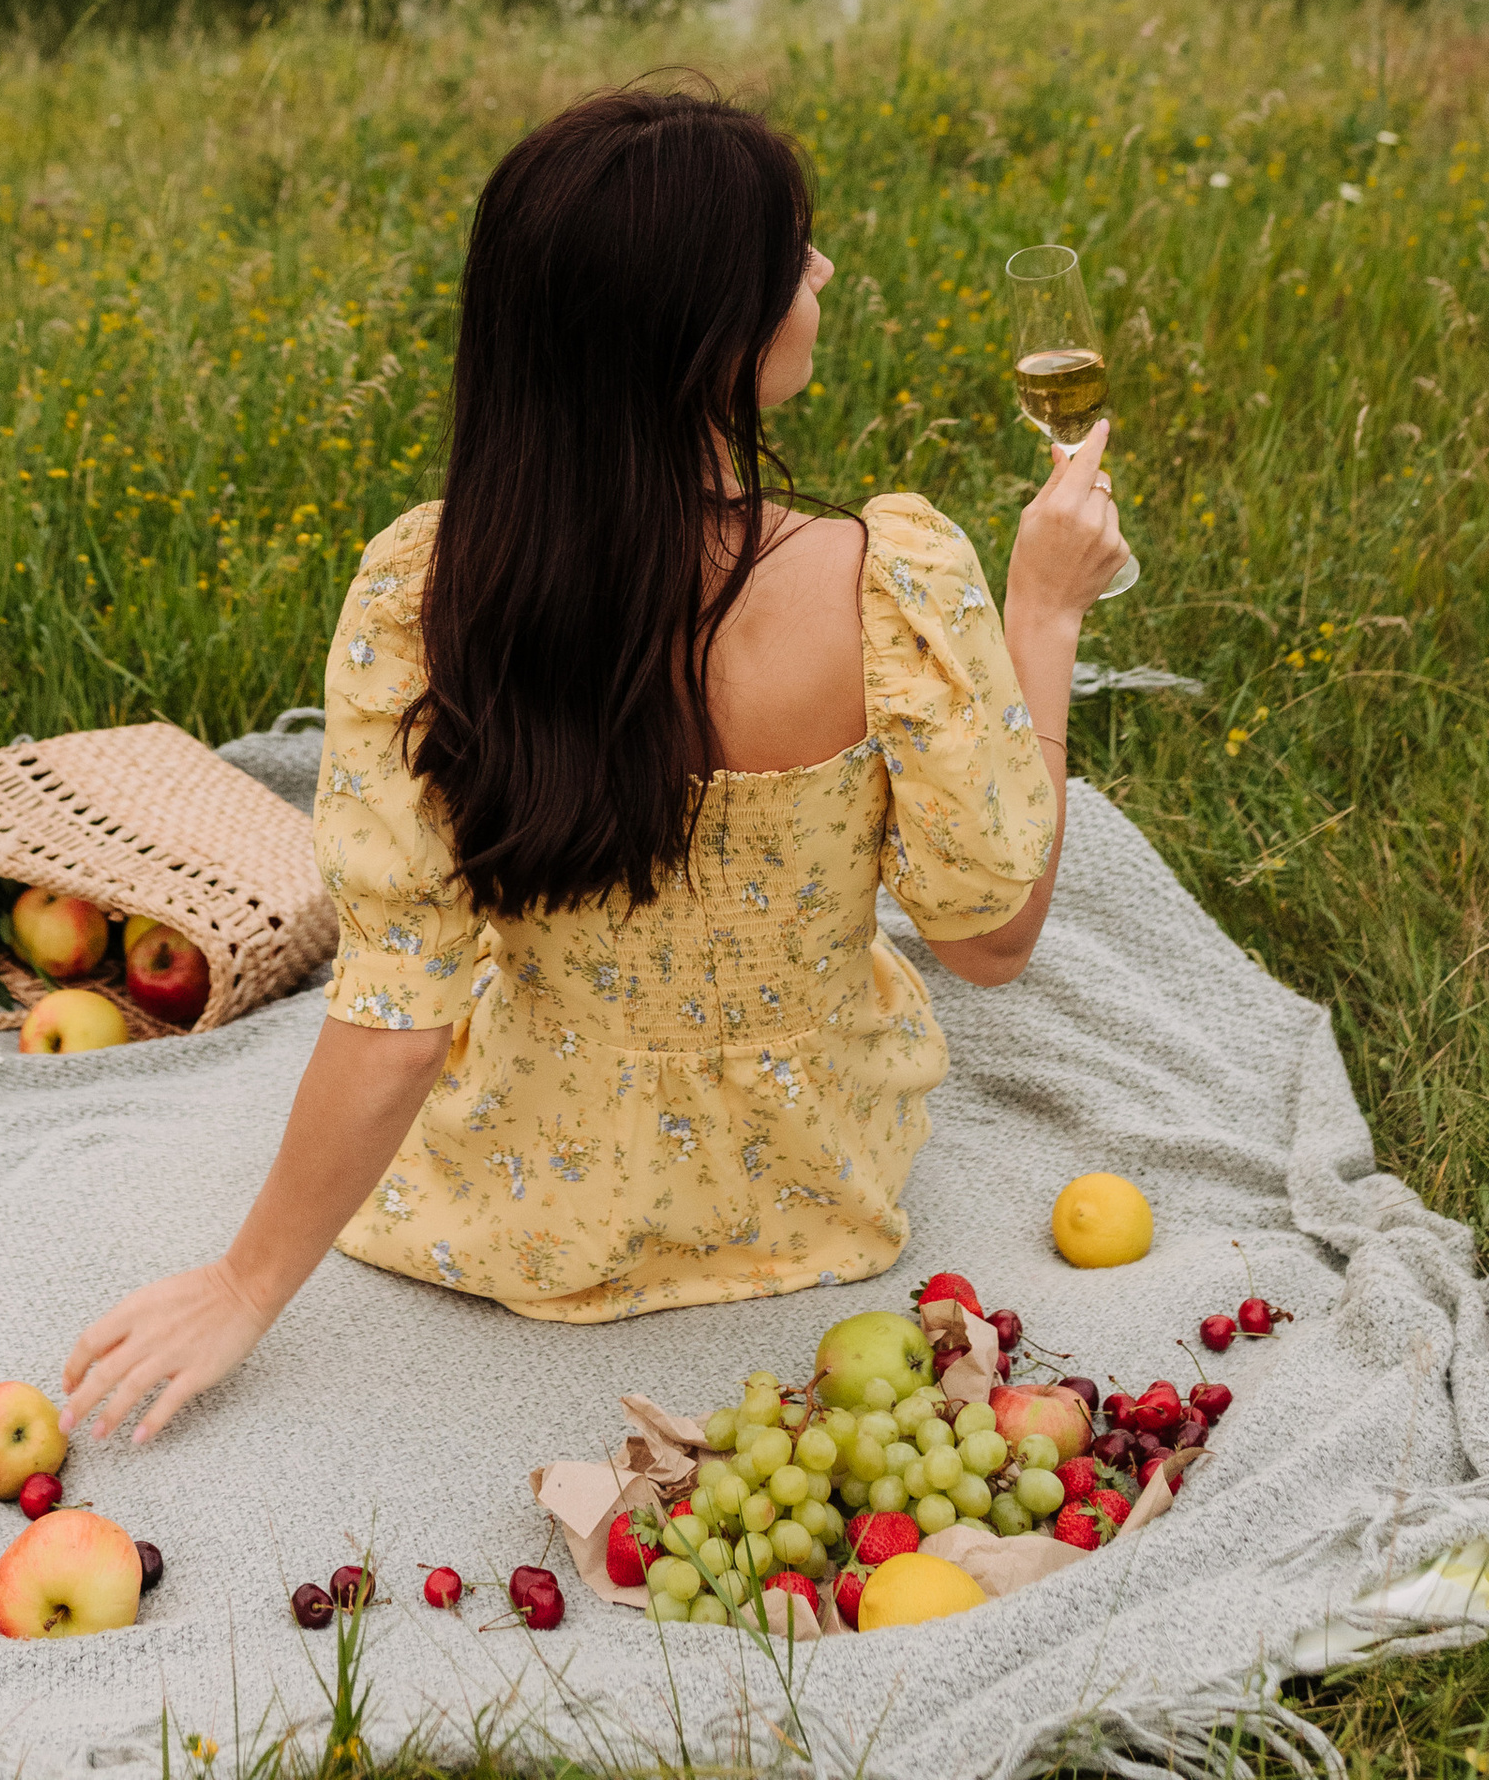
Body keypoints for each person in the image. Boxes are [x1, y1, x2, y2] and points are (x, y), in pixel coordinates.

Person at [62, 81, 1127, 1445]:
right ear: (707, 343)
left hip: (527, 1205)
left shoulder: (432, 596)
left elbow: (399, 1016)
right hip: (818, 1188)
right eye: (788, 256)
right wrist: (1044, 616)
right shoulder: (889, 586)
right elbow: (992, 938)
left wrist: (245, 1281)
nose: (824, 271)